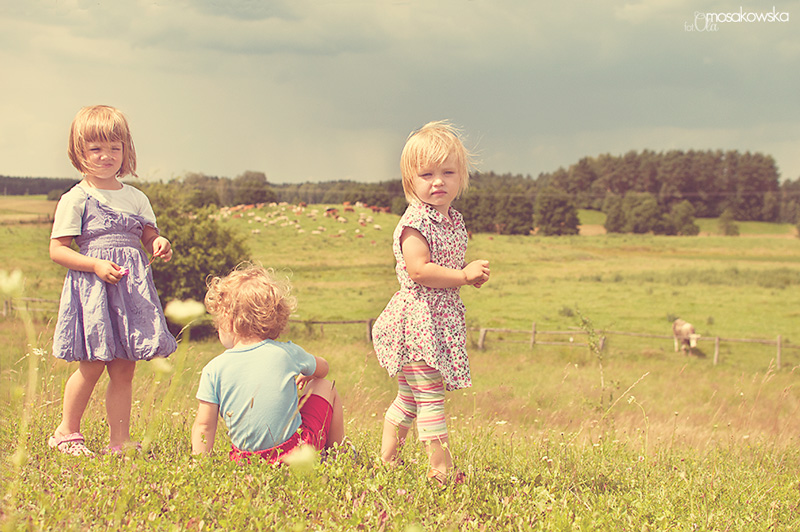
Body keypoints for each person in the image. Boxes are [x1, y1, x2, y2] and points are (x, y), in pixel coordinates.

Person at [48, 105, 177, 456]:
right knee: (91, 366)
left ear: (126, 151)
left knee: (124, 370)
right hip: (95, 290)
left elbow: (149, 235)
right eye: (95, 149)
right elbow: (58, 251)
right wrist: (94, 265)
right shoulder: (77, 198)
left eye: (114, 148)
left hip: (130, 292)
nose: (106, 156)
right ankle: (66, 433)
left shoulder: (136, 198)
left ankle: (119, 442)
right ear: (79, 153)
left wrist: (158, 243)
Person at [372, 120, 490, 485]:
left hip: (437, 321)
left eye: (448, 172)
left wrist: (468, 276)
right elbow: (419, 271)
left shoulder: (452, 220)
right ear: (411, 181)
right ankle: (440, 473)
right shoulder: (415, 223)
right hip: (417, 323)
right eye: (426, 174)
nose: (437, 181)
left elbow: (448, 267)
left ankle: (385, 464)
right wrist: (463, 276)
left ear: (461, 177)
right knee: (431, 399)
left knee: (409, 400)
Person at [191, 264, 344, 463]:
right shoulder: (286, 352)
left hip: (245, 461)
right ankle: (337, 454)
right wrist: (311, 374)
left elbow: (204, 426)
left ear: (228, 321)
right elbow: (324, 368)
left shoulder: (213, 369)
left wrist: (200, 466)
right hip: (294, 455)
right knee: (325, 385)